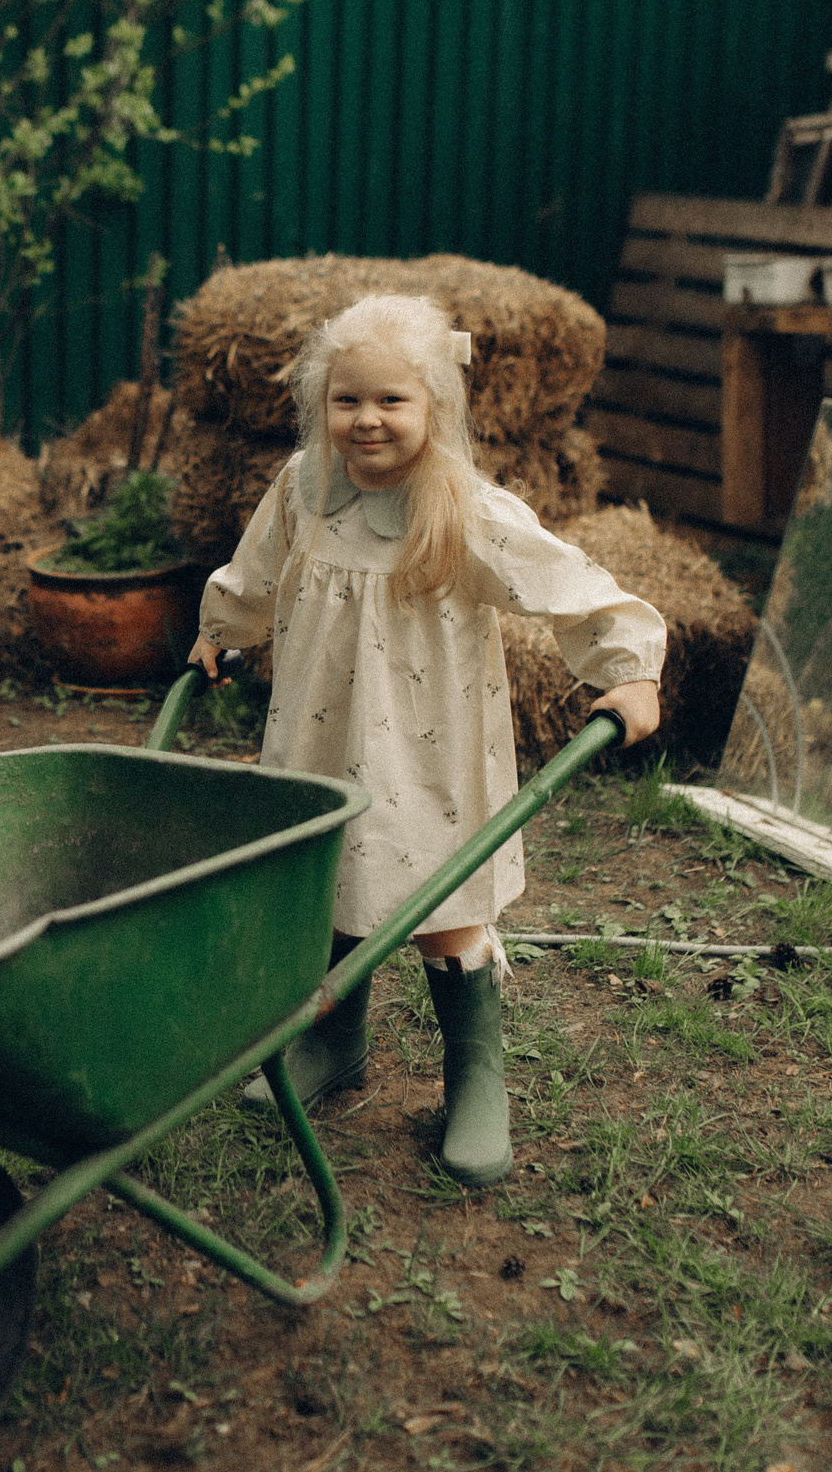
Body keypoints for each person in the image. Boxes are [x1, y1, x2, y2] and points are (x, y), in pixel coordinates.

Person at [188, 294, 665, 1185]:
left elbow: (567, 582)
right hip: (321, 730)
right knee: (329, 880)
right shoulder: (302, 488)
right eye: (347, 399)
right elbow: (255, 574)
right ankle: (334, 1040)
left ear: (435, 405)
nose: (366, 419)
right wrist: (224, 628)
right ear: (321, 403)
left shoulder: (464, 507)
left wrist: (629, 664)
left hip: (428, 746)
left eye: (391, 400)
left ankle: (476, 1073)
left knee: (445, 908)